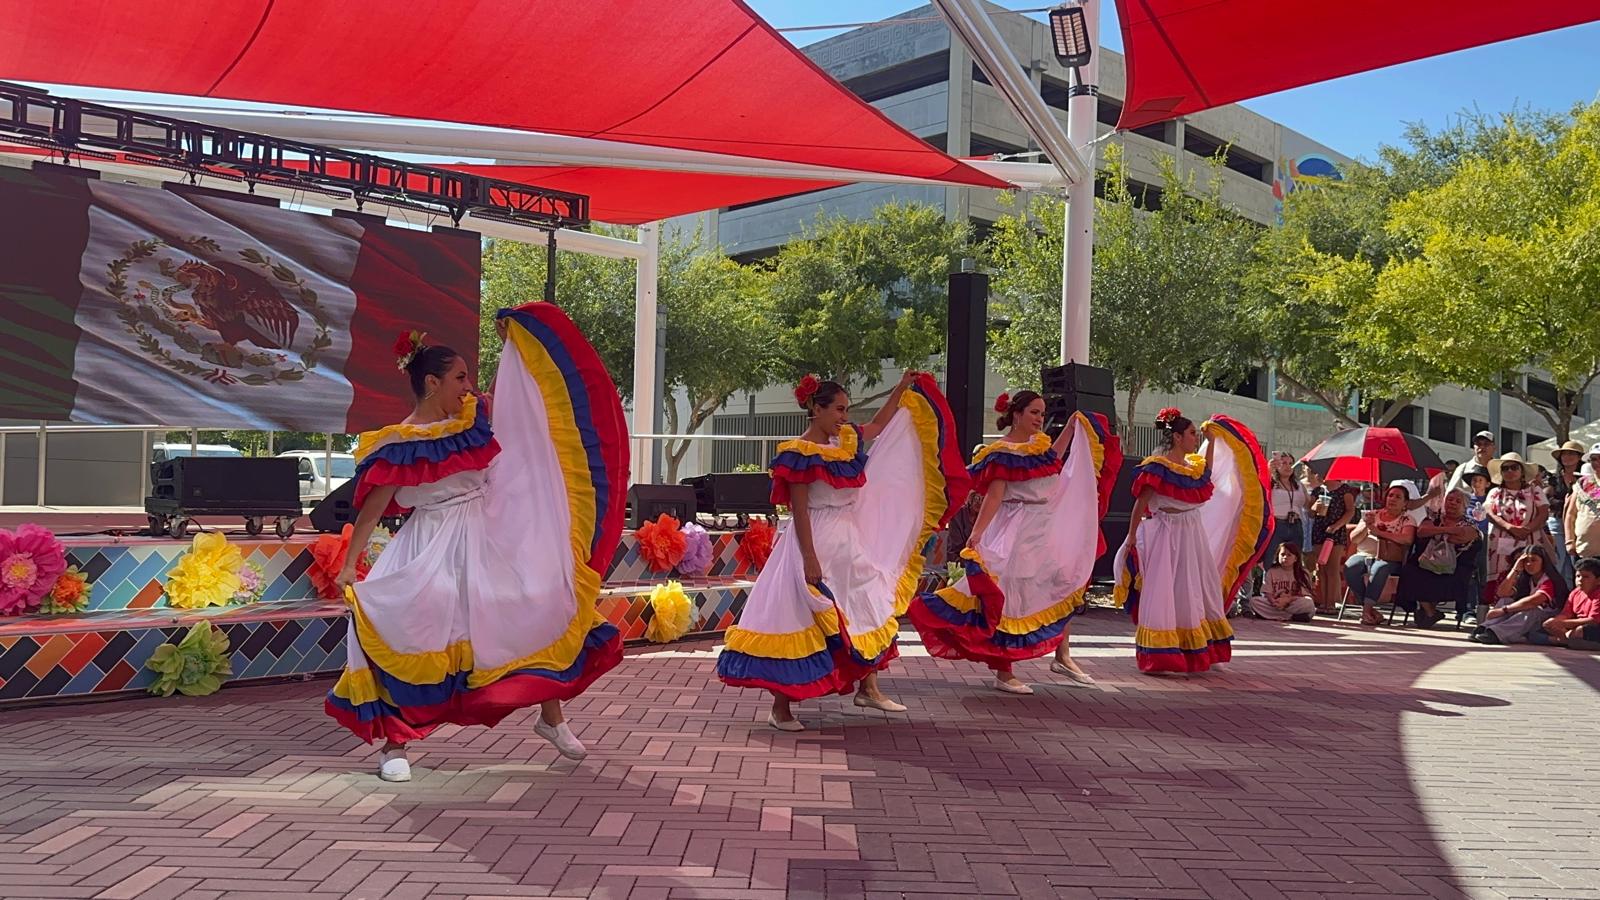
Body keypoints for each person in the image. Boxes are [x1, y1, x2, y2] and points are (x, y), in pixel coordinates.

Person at [326, 306, 629, 782]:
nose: (468, 386)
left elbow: (523, 408)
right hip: (429, 547)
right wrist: (350, 563)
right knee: (411, 632)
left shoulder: (473, 420)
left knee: (534, 604)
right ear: (432, 383)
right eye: (460, 377)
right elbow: (372, 509)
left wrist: (520, 345)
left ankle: (551, 717)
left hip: (486, 535)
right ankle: (394, 745)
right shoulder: (398, 443)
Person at [716, 372, 969, 730]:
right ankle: (780, 707)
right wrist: (809, 558)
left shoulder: (845, 441)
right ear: (816, 410)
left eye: (846, 409)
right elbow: (800, 511)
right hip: (815, 541)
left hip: (849, 541)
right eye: (838, 409)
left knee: (868, 606)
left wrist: (900, 389)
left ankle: (869, 689)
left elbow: (879, 425)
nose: (844, 416)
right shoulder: (799, 454)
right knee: (800, 618)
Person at [906, 393, 1120, 694]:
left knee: (1061, 585)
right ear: (1016, 415)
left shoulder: (1039, 446)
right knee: (1008, 597)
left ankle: (1062, 657)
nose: (1039, 418)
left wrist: (1072, 429)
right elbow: (994, 496)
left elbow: (1051, 460)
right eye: (1034, 412)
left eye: (1042, 413)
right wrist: (977, 533)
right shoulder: (1003, 452)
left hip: (1043, 529)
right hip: (1016, 531)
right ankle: (1004, 671)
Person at [1112, 408, 1271, 674]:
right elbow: (1141, 502)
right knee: (1166, 589)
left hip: (1191, 533)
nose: (1196, 439)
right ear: (1177, 437)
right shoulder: (1158, 466)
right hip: (1167, 533)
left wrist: (1214, 440)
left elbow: (1207, 470)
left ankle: (1201, 650)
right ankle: (1161, 655)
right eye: (1192, 434)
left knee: (1197, 588)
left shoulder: (1192, 468)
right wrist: (1131, 536)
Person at [1395, 490, 1482, 629]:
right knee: (1410, 571)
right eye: (1450, 500)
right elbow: (1422, 531)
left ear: (1465, 506)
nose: (1452, 503)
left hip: (1454, 567)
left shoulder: (1470, 524)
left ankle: (1428, 612)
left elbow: (1460, 536)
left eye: (1457, 501)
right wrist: (1449, 530)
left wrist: (1437, 530)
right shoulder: (1433, 517)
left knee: (1441, 577)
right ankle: (1430, 612)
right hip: (1426, 562)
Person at [1482, 452, 1548, 619]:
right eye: (1505, 468)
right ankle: (1498, 613)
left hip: (1530, 538)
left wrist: (1527, 529)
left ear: (1522, 471)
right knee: (1501, 574)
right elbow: (1489, 513)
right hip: (1500, 541)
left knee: (1530, 572)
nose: (1510, 471)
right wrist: (1509, 527)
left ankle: (1527, 613)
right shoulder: (1495, 492)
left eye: (1514, 467)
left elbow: (1543, 513)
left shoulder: (1534, 490)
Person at [1343, 484, 1417, 626]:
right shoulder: (1372, 515)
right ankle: (1370, 610)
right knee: (1350, 567)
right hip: (1364, 554)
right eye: (1390, 495)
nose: (1392, 499)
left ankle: (1366, 611)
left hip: (1389, 558)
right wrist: (1367, 525)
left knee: (1380, 568)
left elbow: (1407, 539)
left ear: (1405, 503)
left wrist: (1380, 533)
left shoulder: (1407, 519)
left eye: (1398, 497)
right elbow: (1354, 539)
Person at [1470, 545, 1567, 645]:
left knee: (1532, 611)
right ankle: (1485, 628)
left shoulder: (1549, 580)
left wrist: (1504, 610)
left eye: (1534, 560)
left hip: (1548, 620)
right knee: (1505, 600)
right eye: (1526, 561)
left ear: (1543, 562)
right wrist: (1515, 569)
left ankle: (1497, 633)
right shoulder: (1526, 579)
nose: (1529, 564)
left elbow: (1534, 601)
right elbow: (1502, 593)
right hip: (1528, 620)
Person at [1307, 471, 1359, 614]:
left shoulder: (1344, 490)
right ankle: (1323, 602)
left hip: (1336, 532)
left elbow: (1350, 511)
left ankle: (1331, 603)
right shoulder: (1318, 491)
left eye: (1320, 473)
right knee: (1321, 568)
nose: (1317, 476)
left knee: (1332, 568)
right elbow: (1310, 513)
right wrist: (1314, 507)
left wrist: (1337, 525)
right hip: (1319, 531)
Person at [1264, 451, 1309, 579]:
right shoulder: (1271, 482)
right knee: (1271, 559)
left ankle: (1292, 586)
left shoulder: (1299, 485)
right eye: (1284, 463)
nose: (1288, 466)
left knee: (1295, 560)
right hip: (1277, 525)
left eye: (1290, 463)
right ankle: (1269, 586)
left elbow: (1307, 505)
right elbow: (1260, 489)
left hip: (1296, 525)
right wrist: (1268, 470)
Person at [1249, 542, 1317, 622]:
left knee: (1308, 603)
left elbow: (1305, 595)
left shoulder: (1303, 573)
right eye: (1282, 554)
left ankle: (1273, 615)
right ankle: (1290, 616)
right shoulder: (1271, 571)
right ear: (1278, 556)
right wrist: (1274, 601)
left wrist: (1287, 600)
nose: (1285, 557)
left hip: (1293, 604)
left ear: (1296, 558)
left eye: (1289, 555)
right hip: (1275, 604)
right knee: (1254, 601)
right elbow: (1267, 593)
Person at [1541, 556, 1600, 648]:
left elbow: (1593, 621)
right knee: (1546, 627)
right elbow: (1566, 614)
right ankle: (1569, 640)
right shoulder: (1575, 593)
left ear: (1598, 580)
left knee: (1580, 631)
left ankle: (1567, 641)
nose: (1580, 580)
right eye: (1578, 576)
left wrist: (1563, 623)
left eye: (1586, 577)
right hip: (1577, 626)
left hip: (1592, 627)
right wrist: (1555, 621)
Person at [1546, 442, 1584, 583]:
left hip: (1579, 523)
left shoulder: (1586, 478)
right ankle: (1561, 592)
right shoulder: (1554, 478)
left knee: (1577, 561)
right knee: (1559, 561)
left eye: (1571, 453)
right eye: (1564, 454)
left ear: (1579, 457)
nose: (1567, 457)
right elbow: (1547, 498)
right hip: (1557, 522)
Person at [1561, 444, 1600, 568]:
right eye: (1593, 459)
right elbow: (1570, 514)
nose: (1597, 462)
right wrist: (1569, 541)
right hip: (1585, 550)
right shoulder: (1582, 484)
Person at [1446, 431, 1497, 495]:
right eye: (1478, 444)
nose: (1482, 447)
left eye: (1486, 444)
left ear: (1494, 447)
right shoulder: (1463, 468)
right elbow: (1450, 495)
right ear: (1474, 447)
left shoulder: (1500, 469)